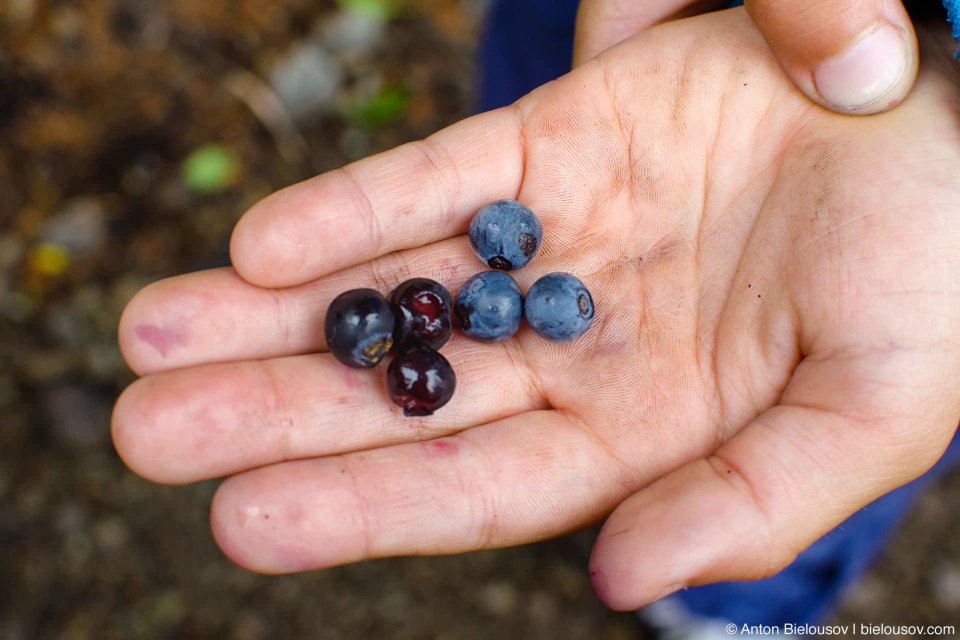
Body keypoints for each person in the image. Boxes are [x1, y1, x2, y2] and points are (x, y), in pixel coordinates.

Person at [111, 3, 960, 635]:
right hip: (643, 55)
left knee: (796, 434)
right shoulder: (464, 302)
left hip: (869, 93)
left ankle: (748, 604)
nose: (412, 332)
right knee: (564, 97)